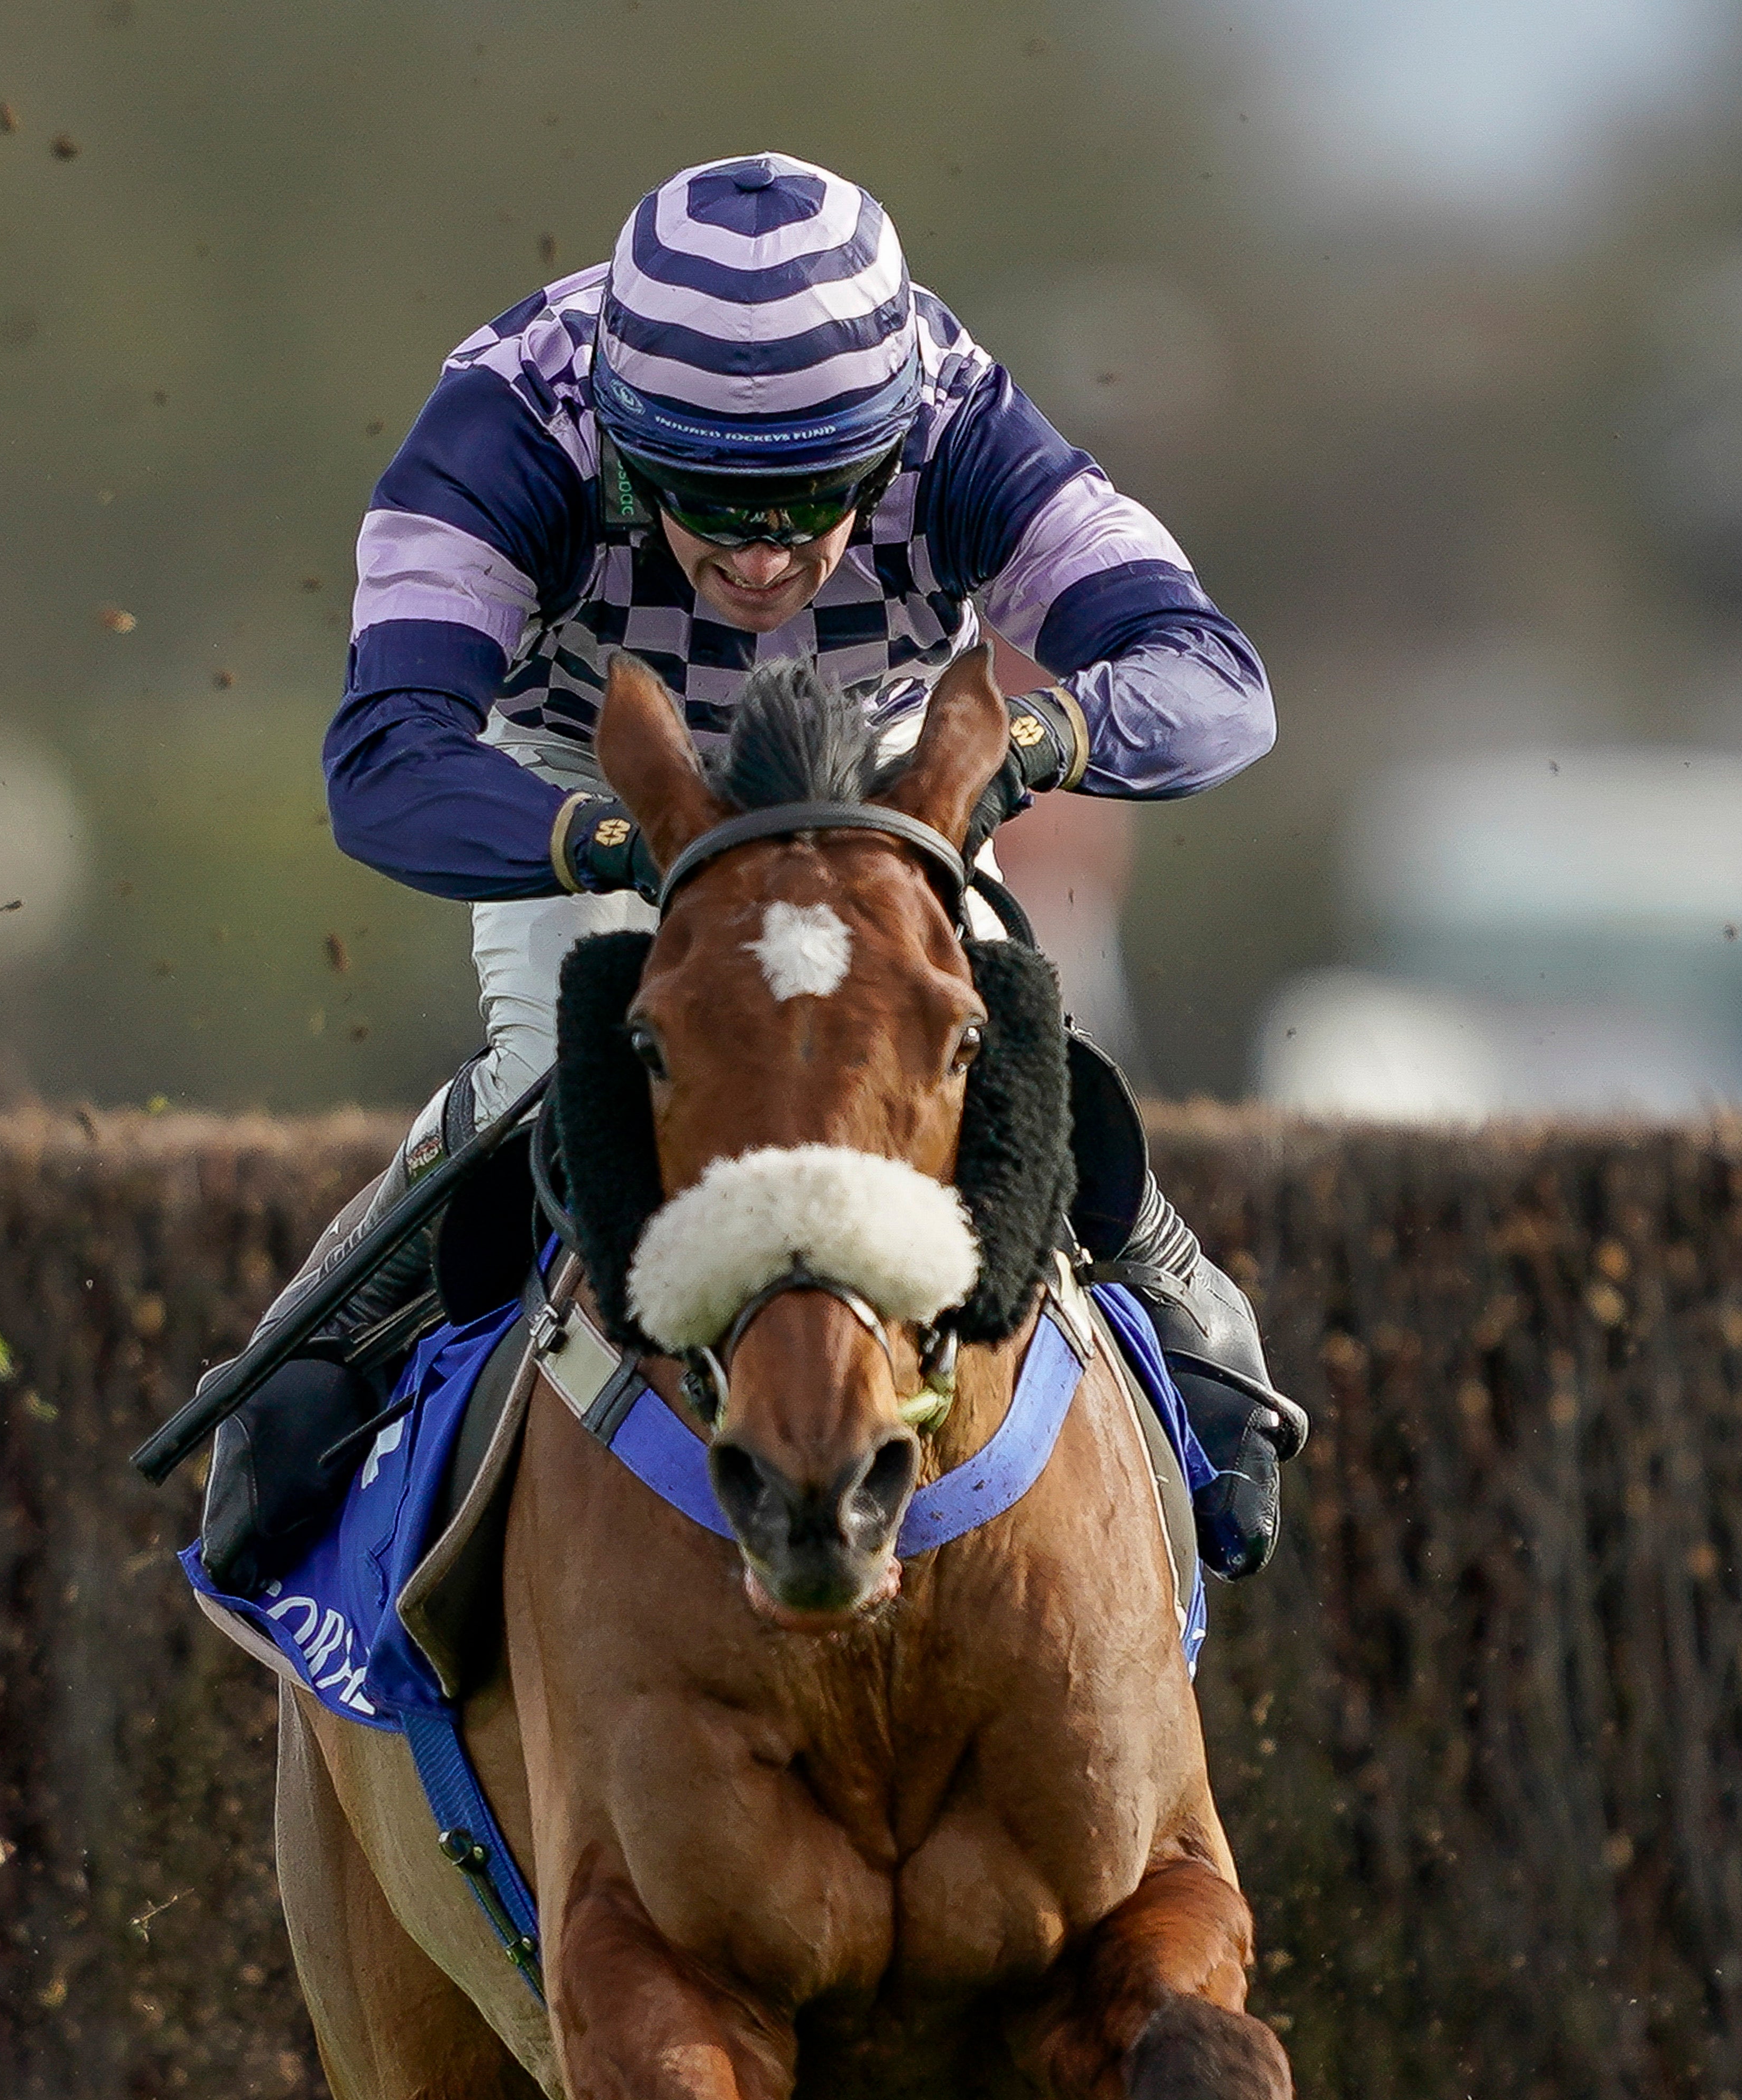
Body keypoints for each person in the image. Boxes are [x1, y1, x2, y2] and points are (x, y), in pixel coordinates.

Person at [202, 151, 1301, 1595]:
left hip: (871, 770)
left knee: (998, 1029)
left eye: (819, 496)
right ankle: (325, 1354)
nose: (767, 556)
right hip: (596, 774)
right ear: (624, 443)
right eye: (708, 499)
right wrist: (623, 840)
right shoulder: (506, 424)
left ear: (891, 443)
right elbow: (387, 756)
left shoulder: (959, 414)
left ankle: (1184, 1317)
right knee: (556, 1048)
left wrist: (1019, 745)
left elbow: (1216, 678)